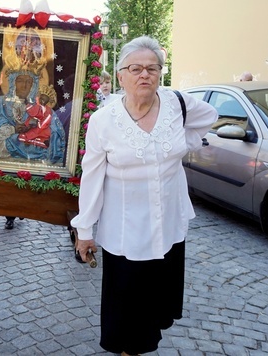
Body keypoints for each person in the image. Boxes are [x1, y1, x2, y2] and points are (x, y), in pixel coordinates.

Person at [71, 36, 218, 355]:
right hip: (126, 231)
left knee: (153, 307)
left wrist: (185, 143)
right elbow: (93, 177)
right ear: (120, 75)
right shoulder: (103, 121)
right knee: (127, 308)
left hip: (168, 226)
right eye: (135, 68)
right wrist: (84, 231)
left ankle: (140, 345)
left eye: (153, 68)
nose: (145, 75)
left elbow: (208, 116)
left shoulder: (177, 104)